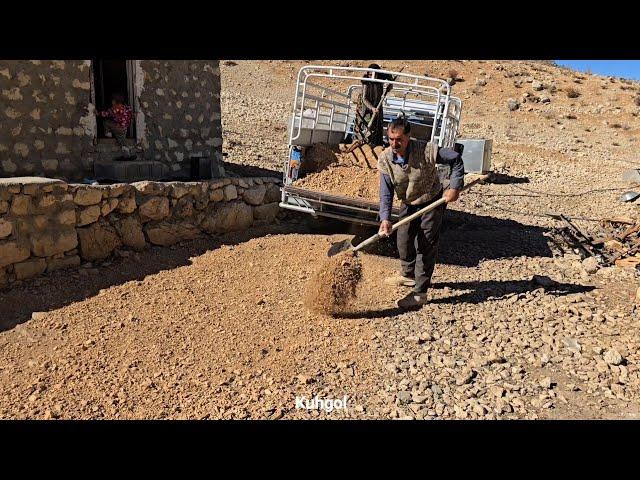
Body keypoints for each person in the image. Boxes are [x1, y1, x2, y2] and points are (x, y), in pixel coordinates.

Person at [377, 116, 465, 308]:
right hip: (408, 201)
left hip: (431, 199)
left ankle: (420, 293)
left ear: (409, 136)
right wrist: (384, 219)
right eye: (391, 139)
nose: (394, 143)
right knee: (403, 239)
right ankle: (408, 275)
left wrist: (454, 187)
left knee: (425, 244)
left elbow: (456, 160)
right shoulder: (385, 159)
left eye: (399, 139)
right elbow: (385, 193)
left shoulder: (425, 150)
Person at [354, 64, 392, 147]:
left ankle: (376, 145)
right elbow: (364, 98)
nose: (371, 76)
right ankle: (361, 144)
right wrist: (372, 108)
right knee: (365, 126)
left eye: (373, 74)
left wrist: (390, 86)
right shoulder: (366, 81)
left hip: (377, 106)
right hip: (366, 108)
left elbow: (390, 78)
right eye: (369, 74)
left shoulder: (380, 80)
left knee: (377, 127)